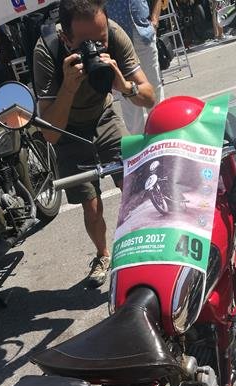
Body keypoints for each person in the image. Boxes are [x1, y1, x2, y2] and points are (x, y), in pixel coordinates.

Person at [33, 0, 155, 287]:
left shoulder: (114, 33)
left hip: (103, 114)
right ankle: (103, 255)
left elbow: (149, 97)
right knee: (91, 204)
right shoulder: (47, 50)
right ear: (66, 38)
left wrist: (125, 86)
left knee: (135, 185)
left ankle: (147, 248)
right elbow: (50, 133)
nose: (95, 49)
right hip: (68, 129)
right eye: (84, 44)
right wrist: (68, 87)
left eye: (100, 40)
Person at [105, 0, 164, 133]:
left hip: (143, 34)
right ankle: (137, 139)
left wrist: (155, 21)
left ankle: (160, 131)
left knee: (154, 85)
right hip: (117, 38)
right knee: (127, 94)